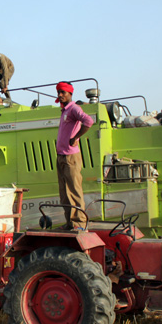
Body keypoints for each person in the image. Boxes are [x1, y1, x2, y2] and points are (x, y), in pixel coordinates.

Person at [55, 81, 93, 230]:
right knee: (64, 192)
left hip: (71, 157)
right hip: (61, 156)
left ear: (70, 93)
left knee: (74, 190)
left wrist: (76, 137)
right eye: (59, 92)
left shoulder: (73, 108)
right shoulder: (64, 110)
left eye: (63, 92)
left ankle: (79, 224)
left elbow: (88, 121)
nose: (60, 95)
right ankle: (70, 222)